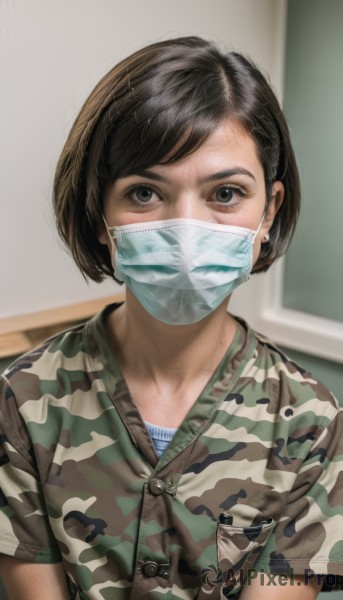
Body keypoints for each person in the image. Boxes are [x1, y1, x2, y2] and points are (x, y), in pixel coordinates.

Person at [0, 36, 342, 600]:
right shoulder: (24, 400)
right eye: (144, 193)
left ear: (269, 212)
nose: (186, 230)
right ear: (99, 212)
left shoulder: (311, 425)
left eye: (226, 193)